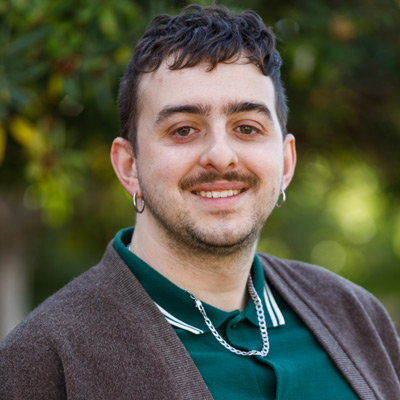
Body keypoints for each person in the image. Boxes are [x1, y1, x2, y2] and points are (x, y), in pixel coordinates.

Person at [0, 5, 399, 399]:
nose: (220, 156)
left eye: (247, 128)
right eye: (184, 130)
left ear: (286, 161)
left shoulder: (356, 317)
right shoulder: (44, 359)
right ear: (129, 166)